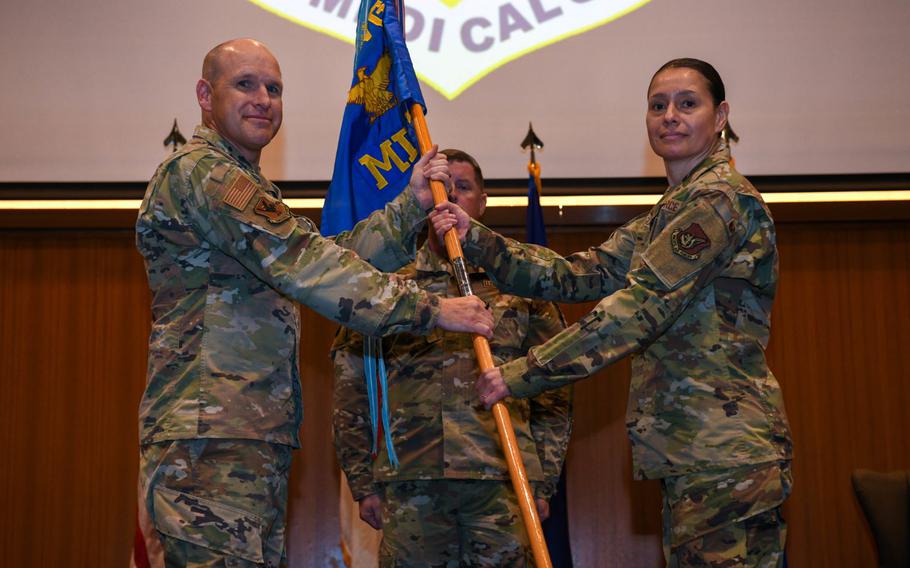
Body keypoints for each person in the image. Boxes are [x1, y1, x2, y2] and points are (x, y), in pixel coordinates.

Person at [134, 39, 494, 568]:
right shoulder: (206, 175)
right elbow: (309, 265)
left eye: (274, 89)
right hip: (208, 438)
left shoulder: (247, 185)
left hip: (244, 431)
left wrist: (409, 205)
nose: (263, 99)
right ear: (204, 95)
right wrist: (433, 309)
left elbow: (327, 256)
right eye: (245, 84)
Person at [431, 59, 793, 567]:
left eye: (688, 103)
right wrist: (482, 242)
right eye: (658, 105)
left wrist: (523, 374)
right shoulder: (668, 213)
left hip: (725, 454)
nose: (670, 115)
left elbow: (636, 309)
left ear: (720, 116)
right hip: (693, 452)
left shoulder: (720, 202)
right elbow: (579, 276)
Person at [332, 149, 573, 567]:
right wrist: (361, 479)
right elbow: (352, 383)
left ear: (482, 203)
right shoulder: (388, 285)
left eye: (463, 188)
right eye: (443, 187)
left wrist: (544, 479)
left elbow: (554, 387)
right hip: (410, 479)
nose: (452, 196)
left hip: (503, 478)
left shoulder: (519, 279)